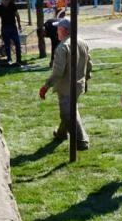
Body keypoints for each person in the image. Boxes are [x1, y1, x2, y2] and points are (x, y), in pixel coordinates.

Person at [39, 18, 91, 150]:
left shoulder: (63, 47)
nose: (56, 32)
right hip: (79, 85)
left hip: (66, 87)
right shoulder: (83, 42)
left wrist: (46, 86)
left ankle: (82, 140)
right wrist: (87, 78)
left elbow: (57, 73)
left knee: (68, 113)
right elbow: (89, 64)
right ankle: (61, 133)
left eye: (58, 29)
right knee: (69, 109)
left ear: (65, 30)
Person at [0, 0, 22, 66]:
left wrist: (19, 25)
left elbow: (17, 15)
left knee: (17, 43)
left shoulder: (12, 5)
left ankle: (19, 59)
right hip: (5, 28)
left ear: (9, 1)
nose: (6, 3)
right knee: (7, 45)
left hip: (13, 27)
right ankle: (9, 59)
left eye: (7, 2)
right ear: (2, 1)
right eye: (4, 2)